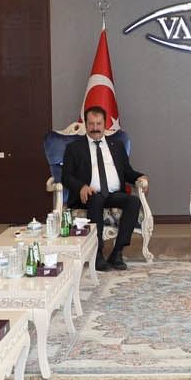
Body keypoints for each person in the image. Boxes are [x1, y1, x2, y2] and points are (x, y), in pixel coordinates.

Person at [59, 105, 149, 271]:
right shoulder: (74, 148)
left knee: (133, 202)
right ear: (86, 124)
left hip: (113, 194)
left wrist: (140, 177)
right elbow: (66, 176)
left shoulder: (117, 146)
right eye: (91, 124)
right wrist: (81, 186)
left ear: (104, 124)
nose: (95, 128)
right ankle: (97, 254)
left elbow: (127, 172)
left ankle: (117, 252)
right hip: (89, 195)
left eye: (98, 123)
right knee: (96, 199)